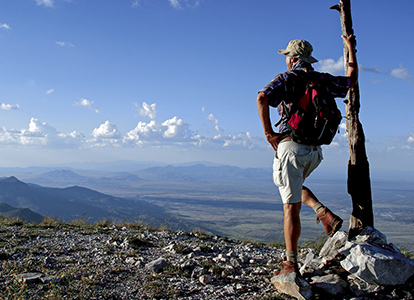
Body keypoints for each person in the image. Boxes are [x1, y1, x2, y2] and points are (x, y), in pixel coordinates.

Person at [256, 35, 358, 275]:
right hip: (315, 152)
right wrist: (351, 50)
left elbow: (262, 97)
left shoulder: (287, 79)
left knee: (290, 207)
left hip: (291, 147)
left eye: (287, 57)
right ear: (308, 60)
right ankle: (322, 212)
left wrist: (269, 133)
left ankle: (290, 265)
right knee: (291, 185)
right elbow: (351, 80)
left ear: (292, 59)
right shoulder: (323, 79)